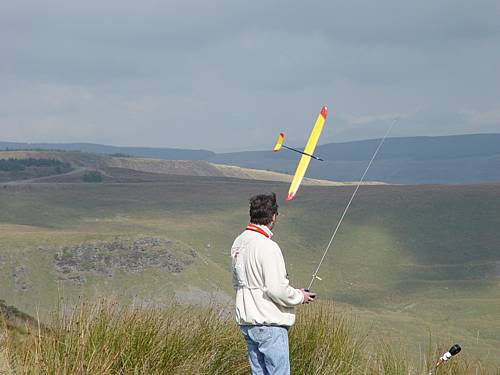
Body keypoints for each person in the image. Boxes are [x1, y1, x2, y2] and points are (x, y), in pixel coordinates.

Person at [231, 192, 316, 375]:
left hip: (247, 322)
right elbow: (276, 289)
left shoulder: (238, 242)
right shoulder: (268, 246)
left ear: (252, 214)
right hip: (268, 323)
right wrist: (300, 296)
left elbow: (241, 283)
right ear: (274, 217)